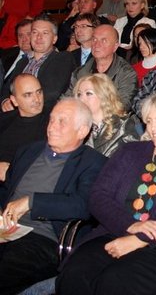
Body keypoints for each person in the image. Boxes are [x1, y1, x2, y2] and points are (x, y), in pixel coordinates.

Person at [56, 91, 156, 295]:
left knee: (114, 282)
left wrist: (140, 238)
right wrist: (131, 225)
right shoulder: (130, 151)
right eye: (149, 121)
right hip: (114, 231)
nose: (153, 128)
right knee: (75, 273)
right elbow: (98, 196)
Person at [0, 98, 106, 294]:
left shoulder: (93, 163)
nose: (51, 127)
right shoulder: (28, 151)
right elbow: (6, 189)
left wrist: (32, 202)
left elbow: (84, 205)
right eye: (51, 119)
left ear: (82, 131)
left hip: (41, 238)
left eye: (62, 121)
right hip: (5, 227)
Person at [1, 16, 76, 112]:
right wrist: (5, 101)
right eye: (34, 32)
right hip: (15, 114)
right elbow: (7, 88)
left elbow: (51, 93)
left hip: (43, 115)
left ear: (54, 39)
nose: (39, 37)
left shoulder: (63, 58)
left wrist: (17, 103)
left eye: (45, 33)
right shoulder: (23, 61)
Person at [67, 25, 138, 112]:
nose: (96, 45)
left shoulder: (126, 73)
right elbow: (67, 100)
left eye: (103, 41)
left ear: (115, 46)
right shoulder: (80, 72)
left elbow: (122, 106)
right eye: (94, 39)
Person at [74, 73, 139, 157]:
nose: (82, 99)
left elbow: (134, 159)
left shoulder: (124, 125)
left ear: (103, 96)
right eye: (79, 94)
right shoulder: (77, 129)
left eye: (88, 93)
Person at [0, 74, 49, 181]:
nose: (37, 99)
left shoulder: (53, 125)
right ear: (14, 100)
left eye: (39, 92)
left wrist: (10, 171)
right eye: (28, 95)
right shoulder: (4, 120)